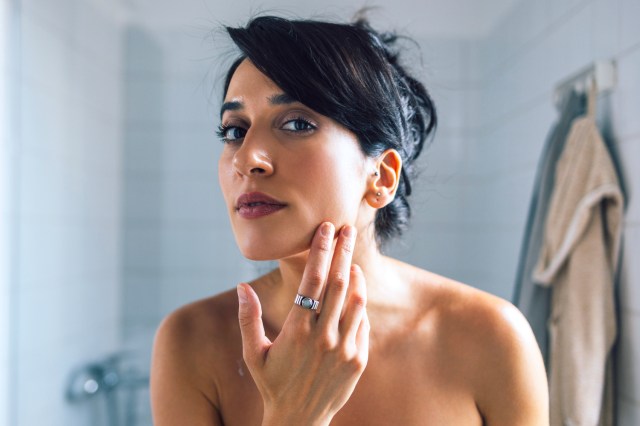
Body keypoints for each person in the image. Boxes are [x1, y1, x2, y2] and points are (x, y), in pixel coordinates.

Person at [150, 14, 549, 425]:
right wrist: (293, 416)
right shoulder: (191, 343)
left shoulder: (491, 338)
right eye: (235, 130)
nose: (247, 157)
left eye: (297, 123)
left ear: (381, 176)